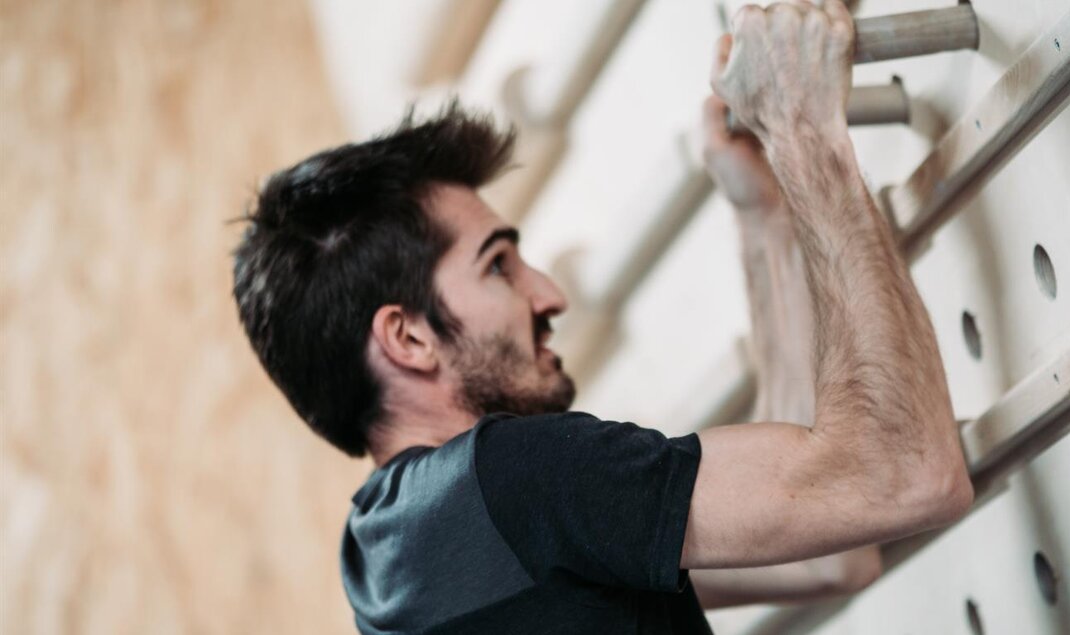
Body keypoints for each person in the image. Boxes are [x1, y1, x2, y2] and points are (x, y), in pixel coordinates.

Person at [231, 2, 973, 633]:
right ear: (409, 336)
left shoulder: (387, 563)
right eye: (498, 265)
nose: (549, 293)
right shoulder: (507, 481)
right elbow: (907, 472)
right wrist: (804, 127)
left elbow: (821, 550)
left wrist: (763, 219)